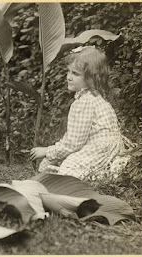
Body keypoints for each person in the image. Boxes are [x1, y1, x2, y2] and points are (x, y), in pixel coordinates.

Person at [30, 46, 124, 179]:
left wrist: (47, 151)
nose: (68, 77)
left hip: (99, 149)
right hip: (106, 146)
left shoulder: (83, 103)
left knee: (68, 172)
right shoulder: (95, 96)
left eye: (75, 74)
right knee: (50, 163)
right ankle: (104, 172)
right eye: (68, 72)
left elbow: (73, 143)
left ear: (91, 78)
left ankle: (100, 175)